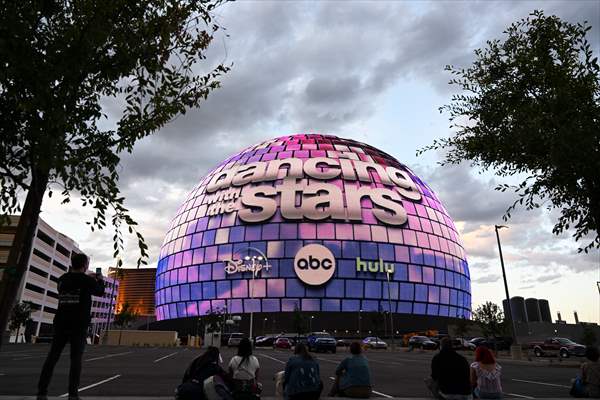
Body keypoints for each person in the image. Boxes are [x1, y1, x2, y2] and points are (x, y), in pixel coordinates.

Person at [37, 253, 105, 400]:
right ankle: (73, 394)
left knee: (52, 358)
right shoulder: (87, 280)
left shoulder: (62, 279)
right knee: (76, 360)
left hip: (61, 322)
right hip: (78, 325)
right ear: (85, 265)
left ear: (72, 263)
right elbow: (100, 291)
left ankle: (42, 392)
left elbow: (65, 289)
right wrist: (99, 280)